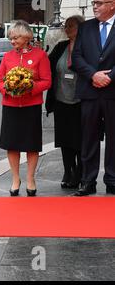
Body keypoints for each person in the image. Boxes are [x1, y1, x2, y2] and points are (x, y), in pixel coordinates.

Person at [0, 20, 52, 197]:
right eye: (11, 38)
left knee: (31, 145)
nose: (12, 41)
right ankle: (15, 179)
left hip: (31, 106)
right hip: (10, 106)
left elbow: (47, 81)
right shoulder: (7, 57)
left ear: (26, 37)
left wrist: (28, 88)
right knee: (12, 144)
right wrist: (8, 89)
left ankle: (30, 179)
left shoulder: (40, 55)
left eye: (16, 37)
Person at [72, 0, 115, 196]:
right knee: (88, 138)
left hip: (113, 91)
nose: (94, 6)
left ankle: (112, 180)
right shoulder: (85, 27)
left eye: (99, 3)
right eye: (93, 3)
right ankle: (87, 181)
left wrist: (109, 77)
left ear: (112, 5)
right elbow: (77, 56)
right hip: (90, 91)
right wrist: (93, 75)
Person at [46, 15, 85, 190]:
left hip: (81, 101)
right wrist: (40, 50)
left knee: (80, 141)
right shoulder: (61, 46)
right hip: (61, 100)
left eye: (71, 26)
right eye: (66, 26)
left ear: (81, 28)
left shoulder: (88, 47)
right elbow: (47, 64)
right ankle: (68, 171)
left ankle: (80, 172)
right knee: (64, 140)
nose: (67, 29)